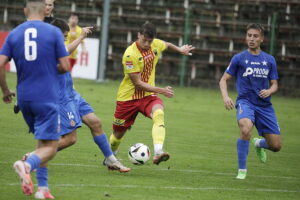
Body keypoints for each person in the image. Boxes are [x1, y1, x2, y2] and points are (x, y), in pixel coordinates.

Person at [21, 18, 130, 199]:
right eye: (62, 36)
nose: (64, 39)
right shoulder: (47, 46)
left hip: (72, 93)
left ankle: (111, 160)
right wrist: (80, 38)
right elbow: (64, 51)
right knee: (70, 139)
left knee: (95, 122)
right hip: (61, 99)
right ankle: (32, 158)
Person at [0, 0, 69, 197]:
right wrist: (48, 69)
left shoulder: (14, 33)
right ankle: (25, 164)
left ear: (25, 10)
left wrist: (5, 91)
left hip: (24, 99)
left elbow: (0, 64)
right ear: (44, 11)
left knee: (43, 142)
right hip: (45, 96)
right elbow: (64, 66)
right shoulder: (53, 32)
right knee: (52, 146)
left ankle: (43, 189)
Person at [109, 22, 195, 165]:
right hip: (127, 99)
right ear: (138, 35)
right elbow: (138, 83)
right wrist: (161, 90)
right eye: (144, 40)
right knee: (117, 135)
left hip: (148, 96)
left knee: (159, 114)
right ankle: (111, 157)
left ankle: (158, 152)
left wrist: (179, 49)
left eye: (150, 40)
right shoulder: (130, 54)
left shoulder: (155, 44)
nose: (147, 44)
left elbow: (166, 44)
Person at [219, 23, 281, 180]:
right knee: (245, 129)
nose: (252, 39)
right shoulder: (239, 58)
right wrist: (226, 97)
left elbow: (275, 84)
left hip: (265, 106)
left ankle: (259, 144)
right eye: (249, 35)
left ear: (262, 39)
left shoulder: (269, 60)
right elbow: (223, 80)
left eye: (255, 36)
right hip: (245, 102)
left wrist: (269, 91)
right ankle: (242, 170)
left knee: (275, 146)